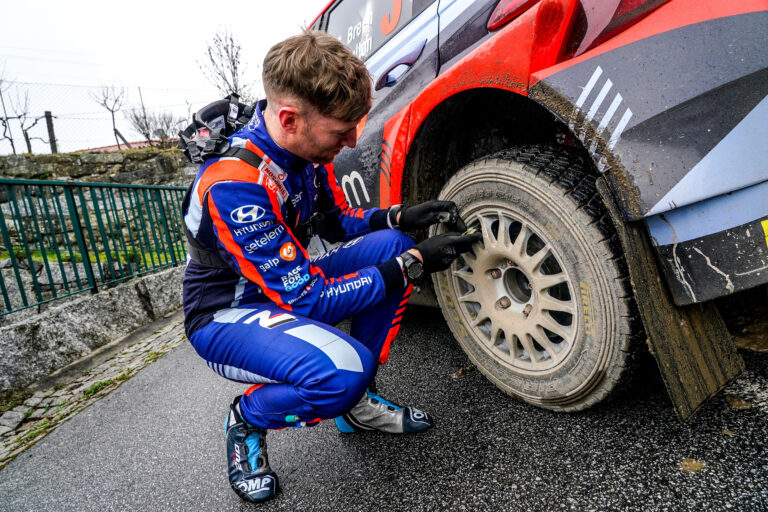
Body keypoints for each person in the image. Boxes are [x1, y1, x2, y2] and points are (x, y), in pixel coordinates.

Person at [182, 31, 480, 503]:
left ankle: (357, 404)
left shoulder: (300, 149)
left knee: (392, 244)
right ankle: (248, 418)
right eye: (342, 130)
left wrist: (399, 216)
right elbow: (309, 300)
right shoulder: (233, 185)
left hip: (282, 287)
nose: (353, 140)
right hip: (225, 315)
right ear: (289, 118)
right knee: (340, 371)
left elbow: (334, 221)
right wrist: (415, 265)